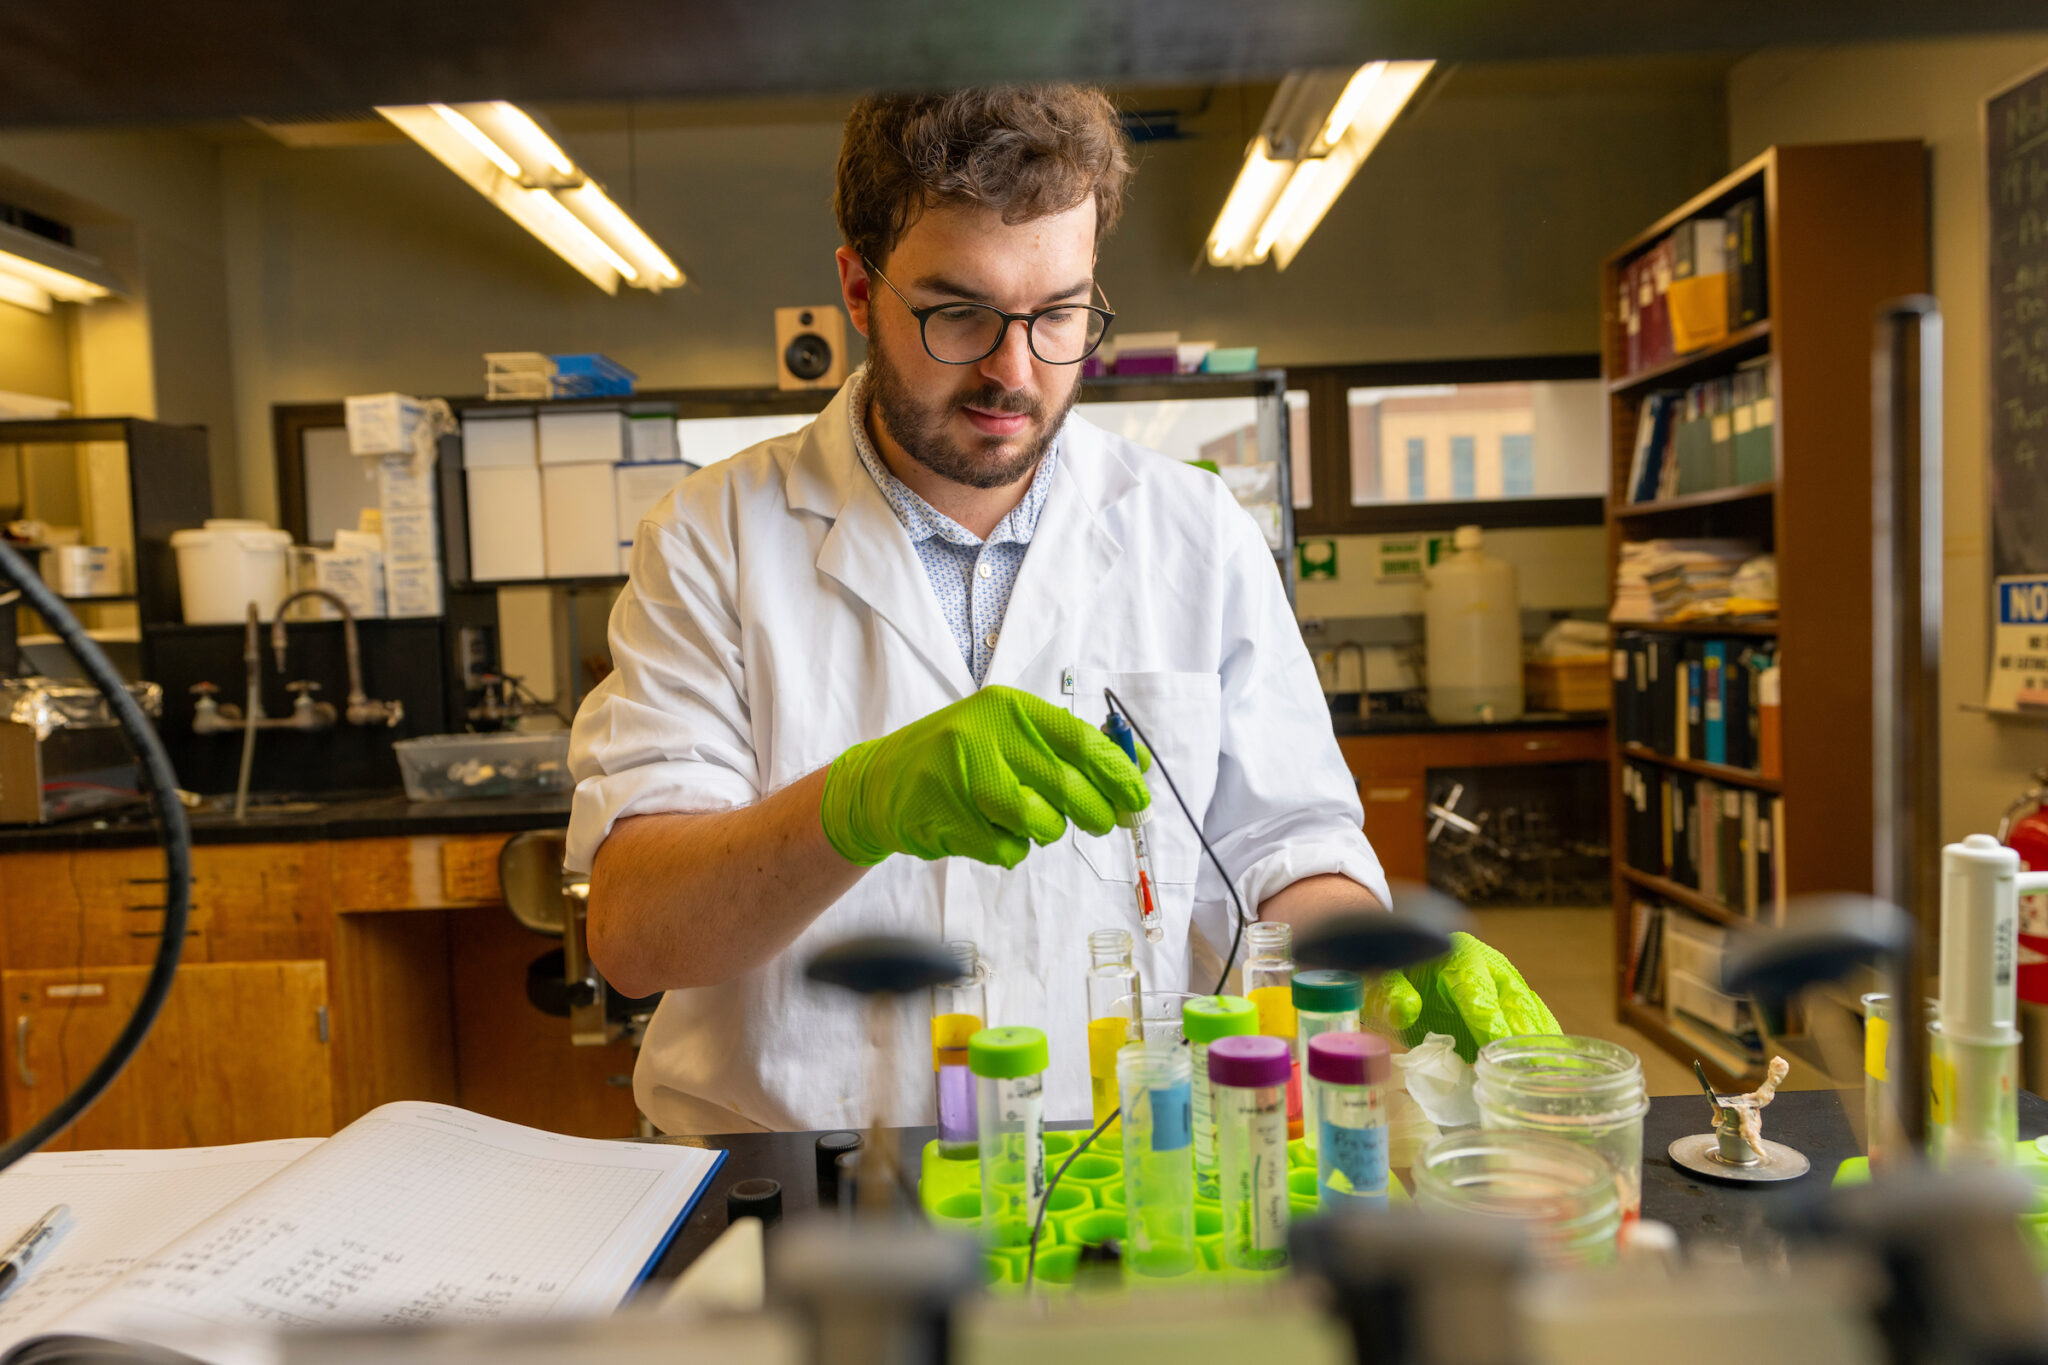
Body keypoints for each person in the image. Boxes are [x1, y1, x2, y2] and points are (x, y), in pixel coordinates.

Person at [567, 85, 1556, 1134]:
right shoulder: (710, 534)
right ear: (858, 291)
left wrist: (1368, 952)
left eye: (1058, 316)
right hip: (794, 1172)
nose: (1013, 370)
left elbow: (1279, 852)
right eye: (957, 313)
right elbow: (636, 938)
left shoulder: (1193, 531)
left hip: (1112, 1169)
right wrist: (850, 806)